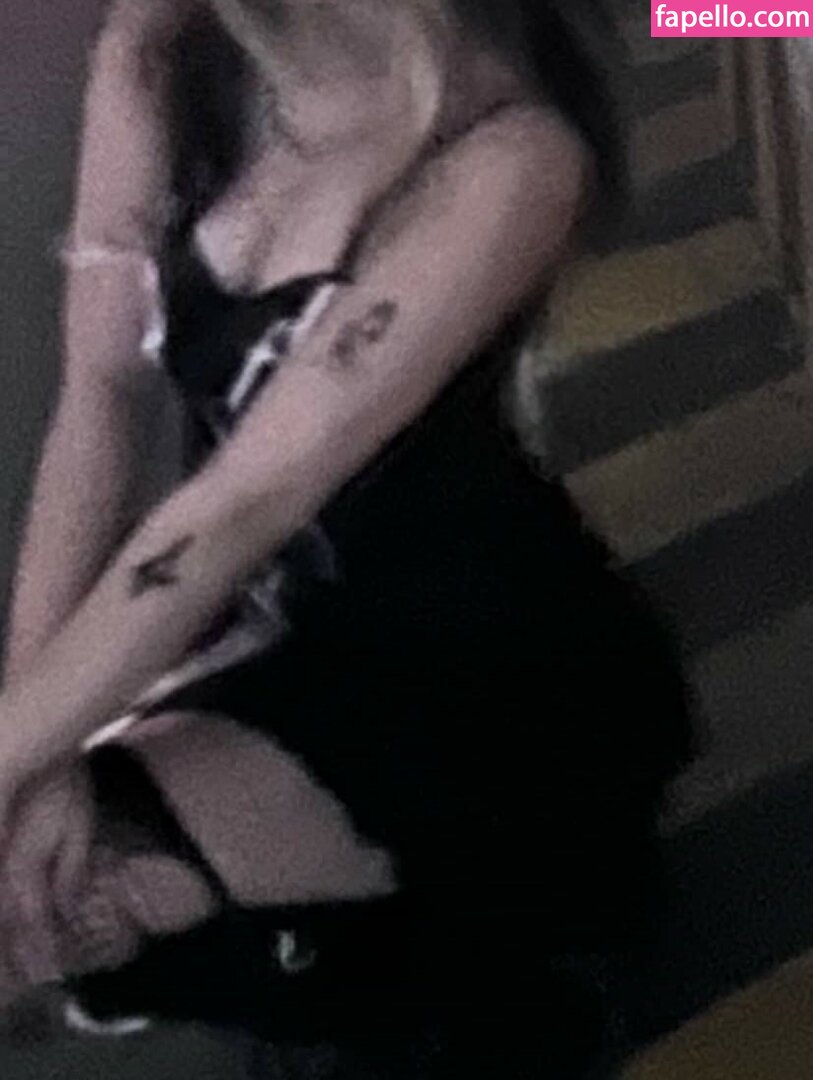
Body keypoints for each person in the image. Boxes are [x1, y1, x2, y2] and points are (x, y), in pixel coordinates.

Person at [0, 0, 691, 1073]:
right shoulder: (158, 57)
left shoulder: (509, 153)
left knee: (82, 901)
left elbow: (239, 509)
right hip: (285, 625)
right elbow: (96, 404)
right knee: (44, 878)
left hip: (493, 686)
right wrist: (34, 764)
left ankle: (465, 963)